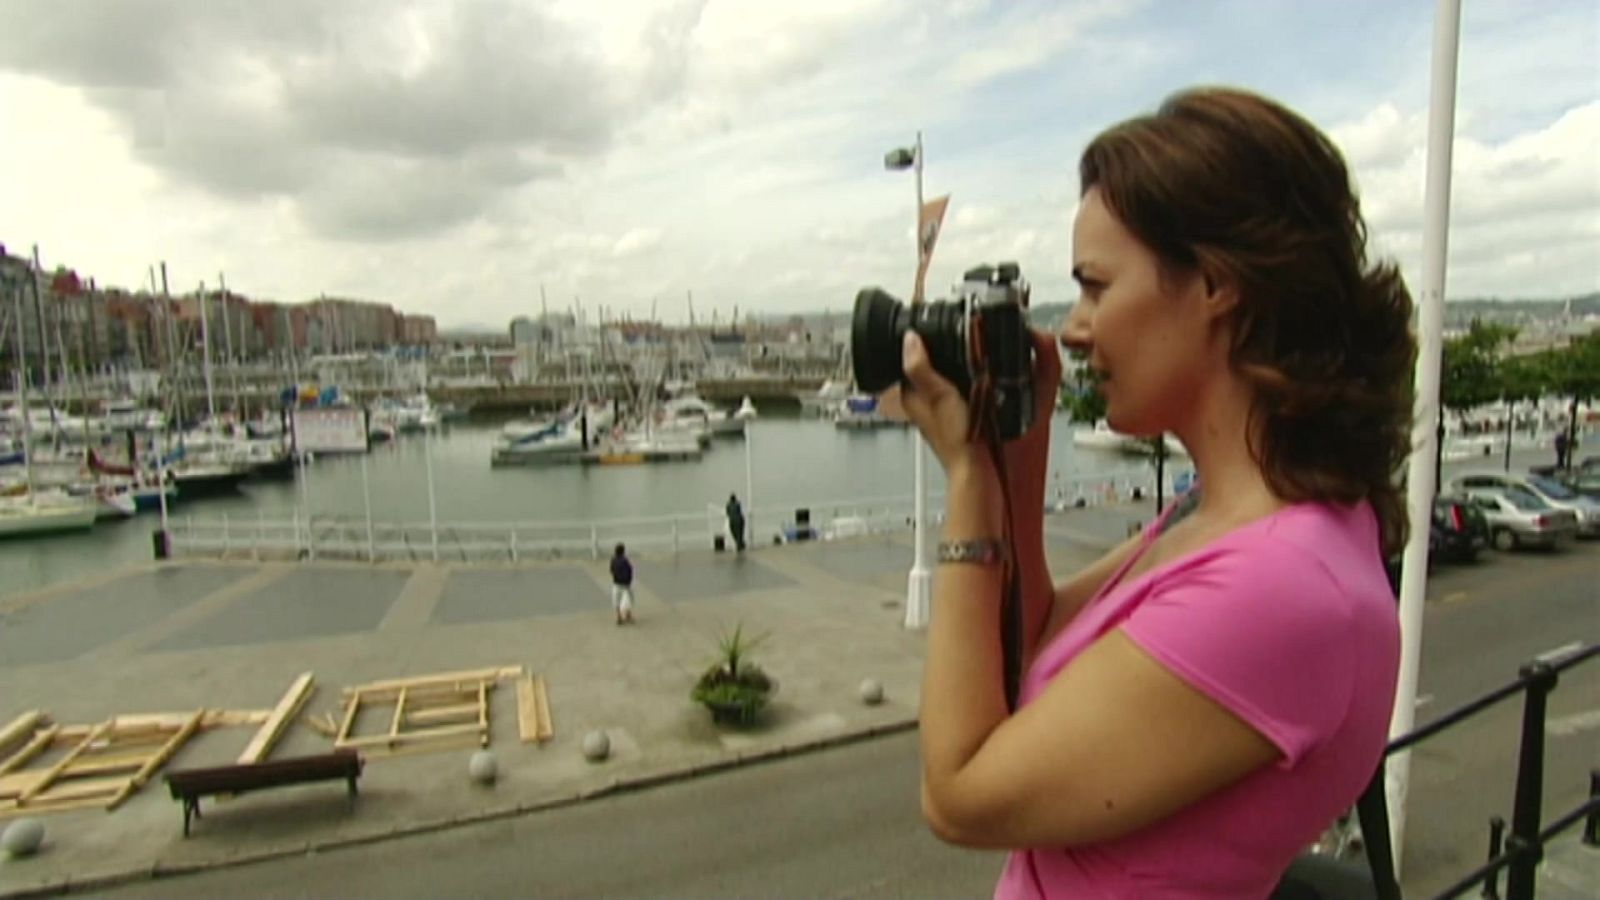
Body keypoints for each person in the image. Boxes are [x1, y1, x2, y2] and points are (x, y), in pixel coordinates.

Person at [893, 87, 1413, 898]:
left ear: (1215, 284)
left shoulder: (1278, 584)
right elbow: (1035, 646)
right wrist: (1012, 464)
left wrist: (964, 482)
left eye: (1097, 287)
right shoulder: (1219, 514)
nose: (1073, 326)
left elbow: (959, 796)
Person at [608, 543, 634, 625]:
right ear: (623, 551)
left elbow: (611, 570)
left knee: (617, 601)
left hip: (616, 583)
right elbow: (630, 571)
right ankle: (628, 616)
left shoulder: (613, 560)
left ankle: (619, 617)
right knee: (628, 600)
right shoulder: (625, 561)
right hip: (625, 584)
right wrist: (629, 581)